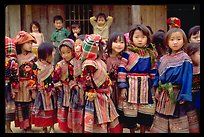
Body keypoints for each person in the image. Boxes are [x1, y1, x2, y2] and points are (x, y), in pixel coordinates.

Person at [150, 28, 193, 133]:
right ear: (167, 42)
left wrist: (184, 95)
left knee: (177, 121)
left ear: (184, 41)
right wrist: (156, 88)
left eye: (178, 39)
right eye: (172, 39)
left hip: (176, 95)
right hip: (163, 95)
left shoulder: (185, 58)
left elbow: (187, 78)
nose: (175, 42)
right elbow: (157, 75)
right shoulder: (163, 59)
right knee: (161, 120)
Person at [117, 24, 158, 133]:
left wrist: (154, 86)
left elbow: (154, 70)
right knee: (131, 113)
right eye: (136, 37)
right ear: (131, 38)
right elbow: (122, 69)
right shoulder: (127, 53)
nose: (140, 40)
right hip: (131, 86)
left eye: (143, 37)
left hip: (145, 86)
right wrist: (123, 87)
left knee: (145, 112)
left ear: (147, 38)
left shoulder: (151, 53)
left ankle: (143, 131)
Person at [81, 34, 120, 133]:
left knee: (106, 118)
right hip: (95, 97)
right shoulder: (89, 64)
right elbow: (87, 80)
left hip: (104, 95)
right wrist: (90, 91)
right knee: (98, 120)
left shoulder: (99, 61)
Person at [13, 31, 38, 133]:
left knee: (29, 106)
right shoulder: (16, 58)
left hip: (29, 85)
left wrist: (33, 88)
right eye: (28, 43)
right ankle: (23, 126)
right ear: (21, 44)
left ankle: (29, 126)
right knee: (21, 105)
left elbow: (35, 73)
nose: (30, 45)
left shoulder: (33, 57)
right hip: (19, 86)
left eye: (31, 43)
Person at [31, 42, 57, 133]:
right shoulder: (36, 65)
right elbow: (33, 78)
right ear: (46, 54)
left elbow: (55, 78)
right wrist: (34, 90)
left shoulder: (52, 66)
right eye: (52, 53)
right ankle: (44, 127)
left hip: (51, 93)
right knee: (42, 110)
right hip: (41, 93)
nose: (54, 55)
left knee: (52, 110)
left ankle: (52, 127)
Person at [104, 32, 127, 133]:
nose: (119, 45)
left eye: (122, 42)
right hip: (107, 89)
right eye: (116, 42)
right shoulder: (104, 57)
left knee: (120, 112)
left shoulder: (124, 58)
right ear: (110, 43)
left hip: (120, 88)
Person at [52, 38, 75, 133]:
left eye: (68, 52)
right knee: (63, 109)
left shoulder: (77, 63)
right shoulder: (59, 65)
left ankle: (73, 127)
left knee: (73, 108)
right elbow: (55, 77)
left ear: (73, 51)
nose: (65, 55)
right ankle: (65, 128)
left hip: (74, 90)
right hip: (63, 90)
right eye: (63, 53)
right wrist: (58, 85)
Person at [68, 35, 86, 133]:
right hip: (76, 91)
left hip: (87, 91)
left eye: (80, 44)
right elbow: (69, 78)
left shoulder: (89, 61)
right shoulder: (72, 62)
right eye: (76, 45)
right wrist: (74, 86)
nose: (77, 47)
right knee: (76, 112)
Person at [5, 36, 19, 133]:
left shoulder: (11, 61)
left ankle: (8, 127)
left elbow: (14, 75)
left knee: (8, 107)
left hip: (7, 85)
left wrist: (14, 86)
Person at [186, 42, 200, 133]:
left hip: (198, 97)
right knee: (191, 119)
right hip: (190, 97)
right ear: (191, 55)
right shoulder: (187, 67)